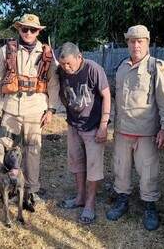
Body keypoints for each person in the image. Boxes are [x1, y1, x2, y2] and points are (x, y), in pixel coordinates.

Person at [0, 14, 60, 211]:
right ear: (18, 29)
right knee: (1, 152)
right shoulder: (6, 50)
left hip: (36, 110)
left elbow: (53, 83)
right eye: (24, 29)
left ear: (39, 31)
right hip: (10, 109)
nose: (28, 33)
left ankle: (31, 192)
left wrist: (51, 109)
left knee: (33, 152)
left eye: (33, 29)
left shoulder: (46, 53)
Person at [106, 25, 164, 231]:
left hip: (146, 132)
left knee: (148, 171)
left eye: (140, 41)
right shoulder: (121, 66)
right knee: (120, 168)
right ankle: (122, 200)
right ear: (127, 43)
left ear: (147, 42)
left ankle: (149, 206)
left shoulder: (157, 67)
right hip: (122, 131)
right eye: (132, 41)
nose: (136, 45)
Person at [57, 42, 111, 225]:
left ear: (79, 57)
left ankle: (90, 203)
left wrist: (104, 124)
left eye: (69, 64)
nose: (66, 68)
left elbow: (107, 96)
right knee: (77, 163)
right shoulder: (62, 70)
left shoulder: (93, 69)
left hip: (93, 126)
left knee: (94, 167)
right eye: (63, 64)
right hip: (73, 125)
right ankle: (80, 197)